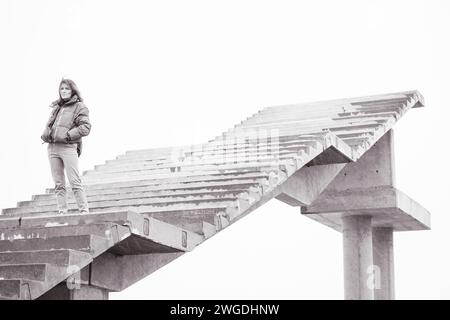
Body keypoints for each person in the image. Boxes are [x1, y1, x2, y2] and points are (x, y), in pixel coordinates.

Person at [40, 78, 92, 215]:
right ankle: (62, 212)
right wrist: (45, 134)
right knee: (58, 184)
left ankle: (84, 211)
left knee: (74, 181)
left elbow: (86, 127)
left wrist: (68, 135)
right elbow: (49, 125)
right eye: (62, 88)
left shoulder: (80, 106)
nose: (64, 91)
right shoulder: (57, 107)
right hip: (52, 148)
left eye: (67, 88)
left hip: (68, 147)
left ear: (72, 90)